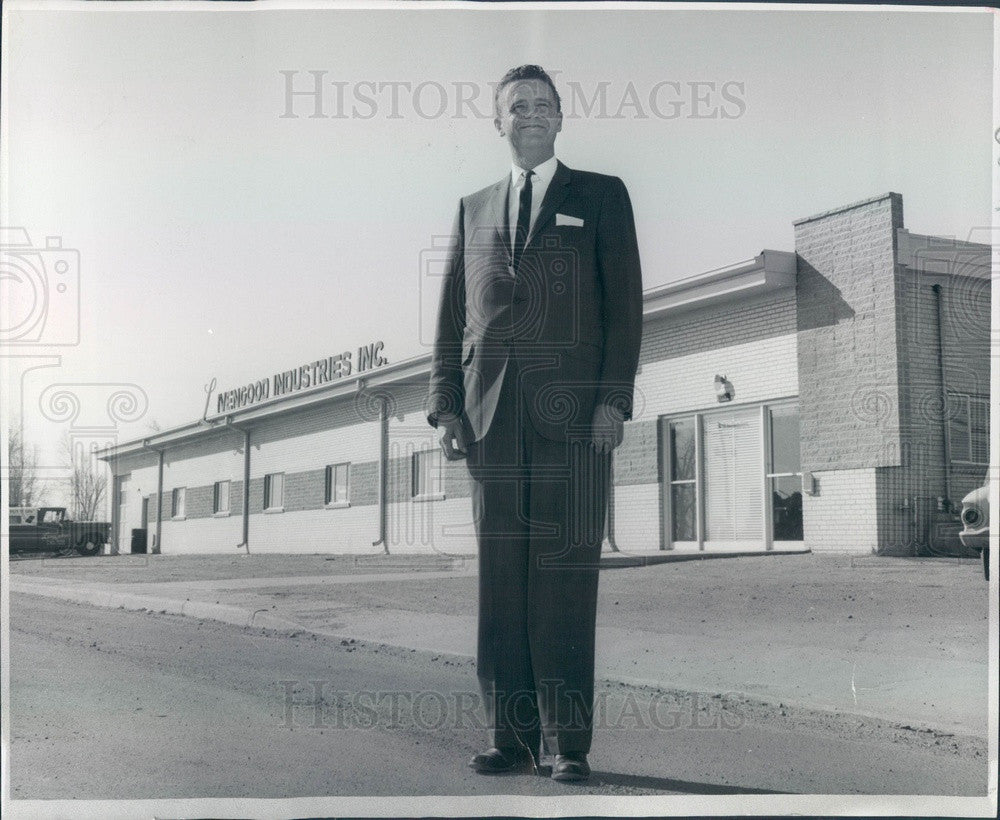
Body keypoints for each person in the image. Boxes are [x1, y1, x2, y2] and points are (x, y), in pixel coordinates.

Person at [426, 65, 643, 782]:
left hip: (577, 419)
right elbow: (454, 313)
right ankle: (509, 738)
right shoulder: (473, 207)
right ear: (498, 122)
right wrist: (448, 404)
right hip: (492, 420)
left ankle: (565, 746)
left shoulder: (602, 197)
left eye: (544, 105)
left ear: (560, 118)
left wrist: (613, 399)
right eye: (518, 106)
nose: (532, 115)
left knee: (564, 577)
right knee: (502, 582)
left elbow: (625, 308)